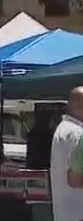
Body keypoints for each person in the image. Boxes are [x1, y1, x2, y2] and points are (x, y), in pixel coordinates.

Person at [53, 87, 83, 221]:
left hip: (65, 211)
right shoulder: (77, 134)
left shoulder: (63, 129)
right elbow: (75, 179)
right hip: (78, 211)